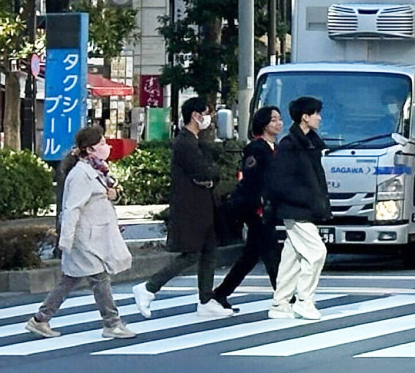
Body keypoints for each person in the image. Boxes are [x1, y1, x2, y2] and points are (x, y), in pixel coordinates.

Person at [24, 126, 137, 340]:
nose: (107, 146)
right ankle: (112, 323)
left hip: (93, 235)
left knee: (70, 279)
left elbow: (103, 196)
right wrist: (65, 240)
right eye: (102, 143)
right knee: (99, 279)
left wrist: (113, 196)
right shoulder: (80, 175)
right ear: (90, 149)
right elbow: (72, 208)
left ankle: (40, 319)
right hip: (84, 237)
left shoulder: (97, 170)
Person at [135, 99, 229, 318]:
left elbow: (207, 174)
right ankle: (149, 288)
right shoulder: (185, 142)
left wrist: (208, 177)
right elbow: (205, 172)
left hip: (201, 205)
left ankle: (206, 300)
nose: (209, 119)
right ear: (195, 115)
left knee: (208, 251)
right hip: (191, 207)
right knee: (192, 253)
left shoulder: (194, 140)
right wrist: (209, 175)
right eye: (206, 113)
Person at [211, 106, 283, 310]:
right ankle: (283, 296)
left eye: (279, 119)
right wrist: (260, 203)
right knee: (269, 253)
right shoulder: (256, 148)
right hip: (257, 209)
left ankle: (221, 293)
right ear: (263, 124)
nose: (278, 123)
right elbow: (251, 179)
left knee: (252, 255)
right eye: (273, 120)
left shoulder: (273, 148)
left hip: (267, 209)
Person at [267, 96, 331, 320]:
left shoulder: (309, 143)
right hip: (296, 209)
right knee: (316, 253)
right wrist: (307, 200)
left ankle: (280, 303)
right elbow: (280, 182)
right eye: (316, 114)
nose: (319, 118)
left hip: (302, 208)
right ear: (305, 117)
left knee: (292, 257)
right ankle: (304, 300)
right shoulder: (290, 145)